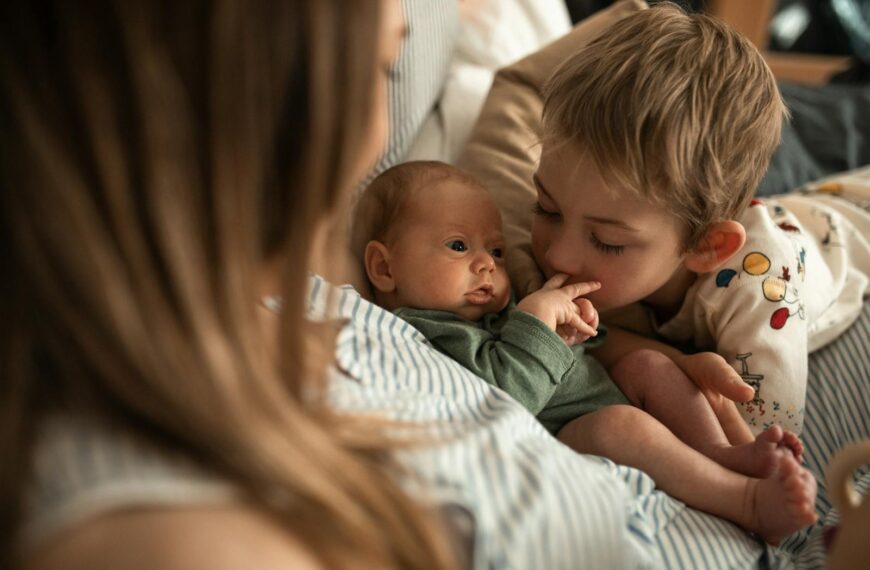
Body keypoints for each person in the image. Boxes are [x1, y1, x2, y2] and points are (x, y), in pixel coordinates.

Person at [0, 1, 459, 568]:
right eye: (385, 67)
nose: (380, 134)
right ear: (267, 104)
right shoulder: (193, 547)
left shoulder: (215, 354)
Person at [463, 2, 870, 442]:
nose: (557, 255)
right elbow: (599, 339)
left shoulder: (761, 291)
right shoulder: (615, 247)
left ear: (707, 247)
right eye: (547, 208)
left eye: (607, 240)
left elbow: (762, 442)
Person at [353, 159, 816, 542]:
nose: (487, 265)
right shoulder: (429, 335)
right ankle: (745, 502)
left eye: (496, 251)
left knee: (648, 364)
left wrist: (577, 331)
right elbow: (507, 396)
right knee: (620, 426)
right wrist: (536, 325)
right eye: (458, 246)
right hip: (567, 430)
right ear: (384, 268)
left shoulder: (488, 309)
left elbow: (589, 353)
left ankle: (723, 453)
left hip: (600, 391)